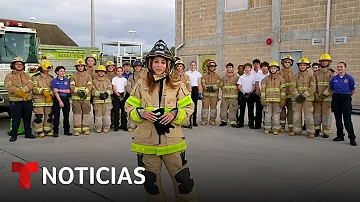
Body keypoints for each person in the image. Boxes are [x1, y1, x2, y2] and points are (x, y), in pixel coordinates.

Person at [125, 39, 197, 202]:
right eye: (156, 61)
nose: (159, 65)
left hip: (172, 142)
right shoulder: (140, 84)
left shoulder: (177, 84)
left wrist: (174, 115)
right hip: (146, 144)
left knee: (184, 183)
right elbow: (129, 108)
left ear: (168, 64)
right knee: (151, 186)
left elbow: (189, 108)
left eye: (163, 62)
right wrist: (141, 113)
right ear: (150, 63)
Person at [5, 57, 36, 142]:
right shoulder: (9, 76)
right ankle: (14, 135)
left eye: (21, 64)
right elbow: (9, 87)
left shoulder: (27, 75)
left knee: (27, 118)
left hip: (27, 101)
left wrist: (23, 90)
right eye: (17, 64)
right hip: (15, 102)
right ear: (13, 65)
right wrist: (19, 92)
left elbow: (31, 85)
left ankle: (28, 134)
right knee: (15, 119)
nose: (19, 65)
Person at [330, 62, 357, 146]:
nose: (339, 68)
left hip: (346, 98)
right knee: (338, 118)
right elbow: (331, 90)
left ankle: (352, 138)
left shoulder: (349, 78)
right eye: (338, 67)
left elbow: (352, 90)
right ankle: (340, 135)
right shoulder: (334, 78)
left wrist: (345, 95)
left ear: (345, 68)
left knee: (347, 119)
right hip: (336, 98)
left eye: (341, 67)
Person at [290, 58, 316, 138]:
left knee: (308, 116)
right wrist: (297, 95)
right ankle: (296, 130)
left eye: (304, 65)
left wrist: (304, 95)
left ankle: (310, 131)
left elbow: (313, 87)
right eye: (300, 65)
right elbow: (292, 87)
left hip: (307, 99)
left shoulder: (311, 76)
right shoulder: (295, 75)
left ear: (307, 66)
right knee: (296, 115)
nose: (302, 66)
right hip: (297, 98)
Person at [261, 61, 286, 135]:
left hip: (277, 101)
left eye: (274, 68)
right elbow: (263, 90)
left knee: (276, 115)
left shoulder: (281, 79)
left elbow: (283, 90)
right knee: (268, 115)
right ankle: (267, 128)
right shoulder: (266, 79)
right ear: (269, 69)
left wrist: (282, 100)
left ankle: (275, 128)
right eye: (271, 68)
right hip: (268, 100)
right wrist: (263, 99)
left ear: (277, 69)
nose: (273, 70)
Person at [314, 53, 336, 138]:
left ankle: (326, 131)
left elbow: (332, 86)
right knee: (316, 114)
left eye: (326, 61)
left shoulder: (332, 73)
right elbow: (313, 84)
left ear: (329, 62)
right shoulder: (316, 73)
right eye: (322, 61)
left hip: (327, 98)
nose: (324, 62)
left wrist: (324, 94)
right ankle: (317, 129)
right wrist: (316, 95)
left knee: (326, 115)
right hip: (317, 98)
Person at [31, 60, 54, 138]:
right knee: (39, 116)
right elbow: (34, 89)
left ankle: (47, 129)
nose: (47, 71)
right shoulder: (35, 77)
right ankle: (39, 131)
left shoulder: (51, 77)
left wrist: (51, 94)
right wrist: (42, 91)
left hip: (49, 101)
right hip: (38, 100)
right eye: (46, 69)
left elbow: (53, 88)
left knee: (49, 116)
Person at [70, 59, 92, 136]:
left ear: (84, 67)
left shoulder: (88, 76)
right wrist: (78, 91)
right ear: (76, 67)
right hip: (76, 99)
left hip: (86, 99)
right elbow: (72, 86)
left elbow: (90, 86)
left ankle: (86, 128)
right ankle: (77, 129)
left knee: (86, 113)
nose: (80, 67)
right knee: (77, 114)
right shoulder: (73, 76)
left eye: (81, 66)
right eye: (78, 66)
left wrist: (85, 91)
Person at [92, 65, 113, 133]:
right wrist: (99, 94)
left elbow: (110, 89)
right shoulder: (94, 81)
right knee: (98, 116)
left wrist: (107, 93)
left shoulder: (108, 81)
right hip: (97, 102)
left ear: (105, 72)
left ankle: (106, 127)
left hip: (107, 101)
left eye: (102, 71)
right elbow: (92, 90)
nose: (101, 73)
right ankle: (98, 127)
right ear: (97, 72)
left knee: (106, 115)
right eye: (99, 71)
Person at [52, 66, 72, 137]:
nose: (63, 72)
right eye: (61, 71)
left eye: (63, 71)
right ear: (57, 72)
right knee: (56, 116)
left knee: (66, 116)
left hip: (66, 99)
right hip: (57, 99)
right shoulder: (54, 81)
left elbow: (68, 91)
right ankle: (55, 131)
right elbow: (55, 92)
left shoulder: (67, 80)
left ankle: (66, 131)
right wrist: (60, 101)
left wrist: (60, 90)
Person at [279, 55, 296, 135]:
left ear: (291, 63)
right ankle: (282, 126)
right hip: (282, 95)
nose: (287, 64)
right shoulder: (280, 72)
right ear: (283, 63)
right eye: (285, 62)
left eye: (289, 62)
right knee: (282, 111)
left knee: (291, 112)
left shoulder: (293, 73)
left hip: (291, 95)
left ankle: (291, 127)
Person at [126, 60, 145, 132]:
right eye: (136, 66)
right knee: (132, 111)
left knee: (142, 111)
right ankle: (131, 126)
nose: (137, 68)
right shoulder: (131, 77)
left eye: (139, 66)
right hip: (133, 97)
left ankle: (140, 126)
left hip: (143, 96)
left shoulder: (145, 76)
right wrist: (133, 94)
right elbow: (128, 87)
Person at [201, 60, 221, 126]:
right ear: (208, 67)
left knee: (213, 109)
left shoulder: (217, 76)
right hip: (206, 95)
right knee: (205, 108)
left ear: (215, 67)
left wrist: (212, 88)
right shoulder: (204, 75)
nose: (212, 67)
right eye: (211, 66)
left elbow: (218, 84)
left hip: (214, 96)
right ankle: (204, 120)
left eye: (213, 66)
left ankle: (212, 120)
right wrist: (207, 87)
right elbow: (203, 84)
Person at [219, 63, 239, 127]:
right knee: (223, 110)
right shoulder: (223, 77)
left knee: (233, 110)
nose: (229, 68)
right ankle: (223, 121)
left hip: (233, 97)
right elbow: (221, 86)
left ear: (233, 68)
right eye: (228, 67)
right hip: (225, 97)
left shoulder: (237, 77)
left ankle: (232, 122)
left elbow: (239, 87)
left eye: (230, 67)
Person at [237, 63, 256, 128]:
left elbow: (254, 85)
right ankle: (240, 123)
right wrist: (243, 92)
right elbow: (239, 86)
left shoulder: (253, 77)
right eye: (246, 67)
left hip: (250, 95)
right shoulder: (241, 77)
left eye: (248, 67)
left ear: (251, 69)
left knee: (251, 110)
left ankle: (251, 123)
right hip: (243, 95)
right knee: (242, 109)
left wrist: (250, 92)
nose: (247, 69)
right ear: (244, 69)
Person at [185, 61, 203, 126]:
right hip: (188, 89)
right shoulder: (186, 73)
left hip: (195, 89)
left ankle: (194, 121)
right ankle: (188, 121)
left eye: (194, 65)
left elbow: (199, 84)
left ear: (196, 66)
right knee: (188, 105)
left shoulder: (198, 74)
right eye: (192, 65)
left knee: (195, 105)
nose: (193, 66)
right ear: (190, 66)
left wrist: (200, 93)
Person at [254, 61, 270, 129]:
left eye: (265, 66)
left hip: (268, 94)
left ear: (268, 68)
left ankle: (267, 124)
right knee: (258, 110)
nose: (264, 68)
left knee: (267, 110)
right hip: (260, 94)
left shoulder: (270, 75)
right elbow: (257, 83)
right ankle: (258, 124)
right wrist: (258, 91)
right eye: (262, 66)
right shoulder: (258, 75)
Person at [112, 67, 128, 131]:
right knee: (116, 111)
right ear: (116, 72)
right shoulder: (114, 79)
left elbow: (125, 87)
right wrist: (118, 94)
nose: (119, 72)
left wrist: (124, 95)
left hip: (123, 95)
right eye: (118, 71)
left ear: (122, 72)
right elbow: (114, 87)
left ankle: (124, 125)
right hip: (116, 95)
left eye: (121, 71)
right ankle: (116, 126)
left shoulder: (125, 79)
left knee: (124, 112)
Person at [105, 61, 117, 129]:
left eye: (112, 67)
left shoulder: (116, 75)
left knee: (114, 110)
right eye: (109, 67)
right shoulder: (105, 75)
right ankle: (108, 123)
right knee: (108, 110)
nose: (110, 68)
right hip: (107, 95)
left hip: (115, 94)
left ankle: (114, 123)